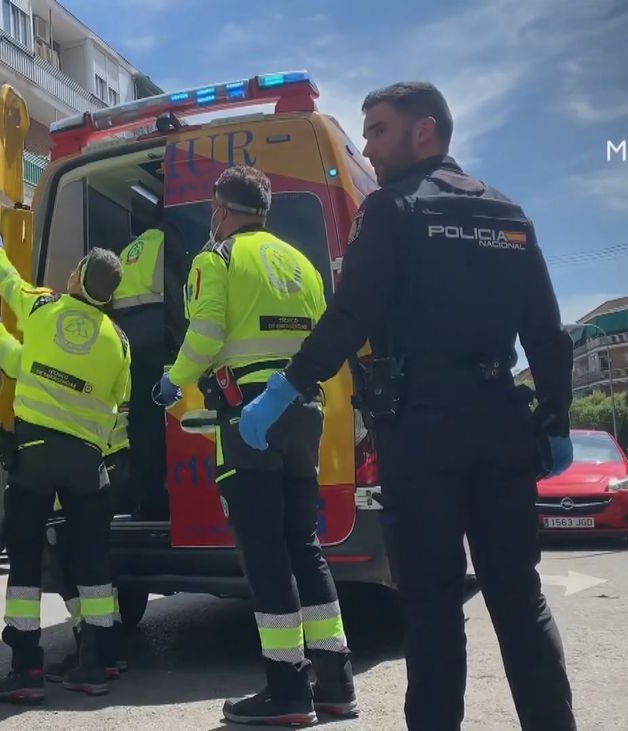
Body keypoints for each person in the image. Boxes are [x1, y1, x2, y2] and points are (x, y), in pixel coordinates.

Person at [238, 81, 577, 731]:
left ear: (425, 131)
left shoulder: (392, 210)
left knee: (432, 605)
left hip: (423, 430)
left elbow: (351, 316)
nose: (368, 147)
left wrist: (286, 387)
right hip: (501, 422)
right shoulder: (508, 214)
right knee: (519, 598)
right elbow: (546, 333)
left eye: (379, 130)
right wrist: (555, 419)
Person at [153, 166, 358, 725]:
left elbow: (206, 335)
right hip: (303, 407)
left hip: (247, 412)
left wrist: (173, 380)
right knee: (303, 545)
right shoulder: (301, 264)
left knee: (265, 553)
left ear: (220, 210)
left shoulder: (215, 258)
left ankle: (287, 690)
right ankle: (336, 681)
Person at [0, 230, 132, 703]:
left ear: (78, 277)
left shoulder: (44, 307)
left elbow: (9, 284)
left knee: (25, 559)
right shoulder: (120, 341)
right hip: (87, 463)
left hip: (35, 456)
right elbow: (118, 402)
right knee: (92, 562)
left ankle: (26, 669)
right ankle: (98, 663)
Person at [110, 214, 170, 518]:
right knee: (158, 423)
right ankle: (155, 501)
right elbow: (174, 292)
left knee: (136, 422)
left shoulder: (131, 249)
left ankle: (136, 498)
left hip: (127, 338)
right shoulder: (166, 242)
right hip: (156, 335)